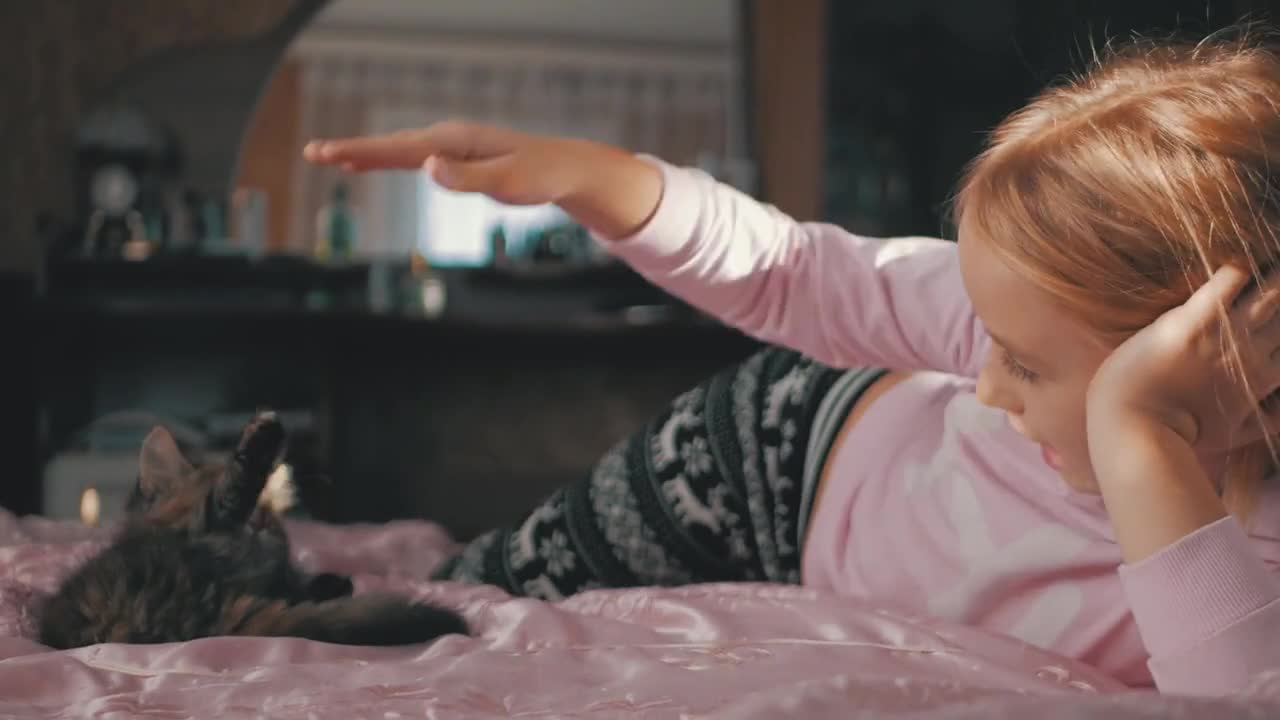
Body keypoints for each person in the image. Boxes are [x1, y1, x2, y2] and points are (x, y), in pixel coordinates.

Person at [303, 30, 1280, 696]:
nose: (979, 388)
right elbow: (795, 272)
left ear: (1214, 353)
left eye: (1022, 366)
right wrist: (581, 176)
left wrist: (1136, 435)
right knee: (457, 599)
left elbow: (1235, 697)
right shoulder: (1019, 316)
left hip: (823, 540)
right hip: (766, 460)